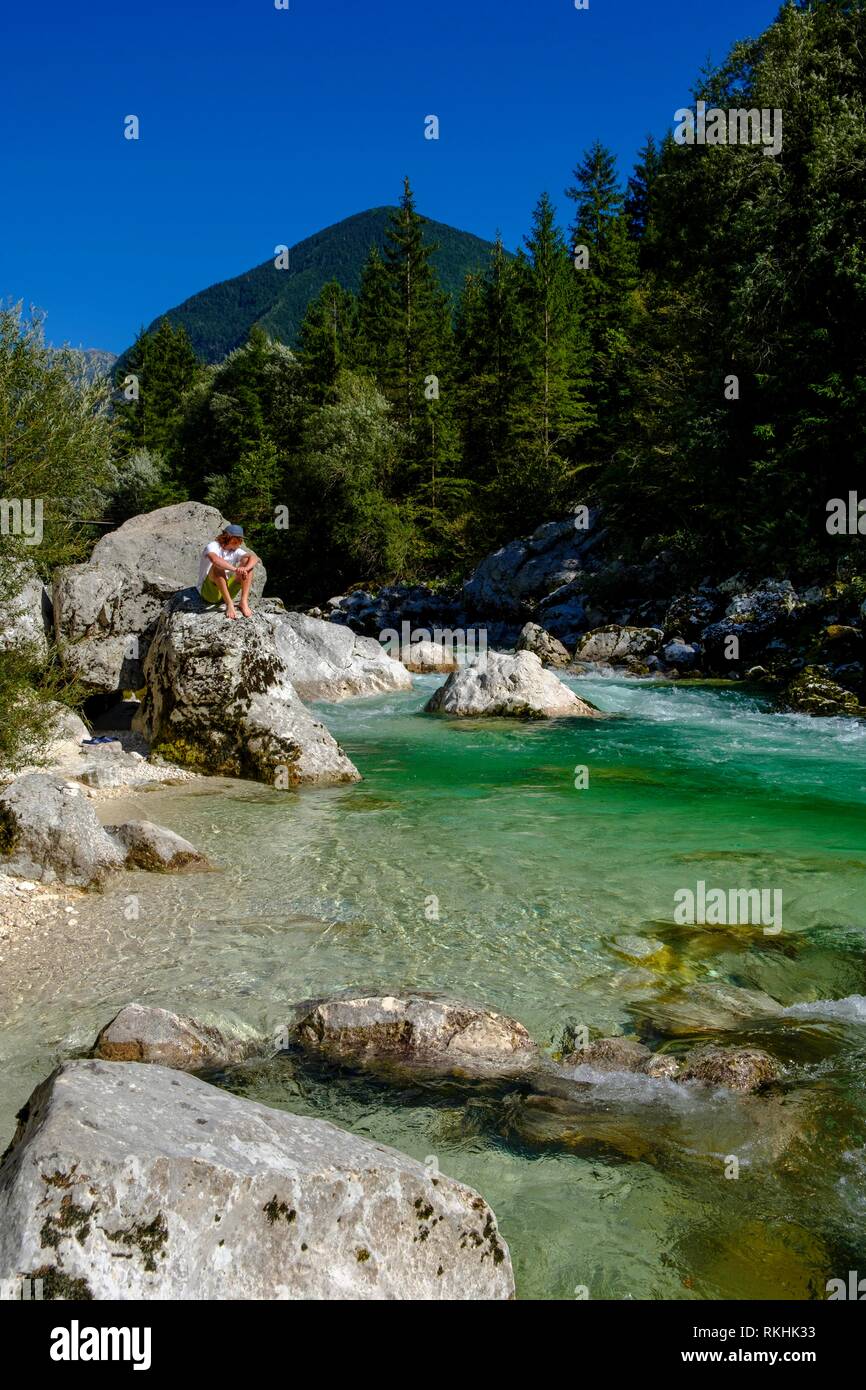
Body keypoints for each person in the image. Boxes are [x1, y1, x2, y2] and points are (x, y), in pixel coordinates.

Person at [198, 524, 259, 619]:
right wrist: (235, 569)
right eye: (238, 539)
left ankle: (243, 602)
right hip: (209, 593)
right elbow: (215, 560)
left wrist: (245, 568)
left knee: (248, 562)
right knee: (218, 566)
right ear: (229, 538)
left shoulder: (235, 550)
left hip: (226, 590)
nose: (240, 542)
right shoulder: (213, 546)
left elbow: (254, 558)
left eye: (240, 540)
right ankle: (229, 604)